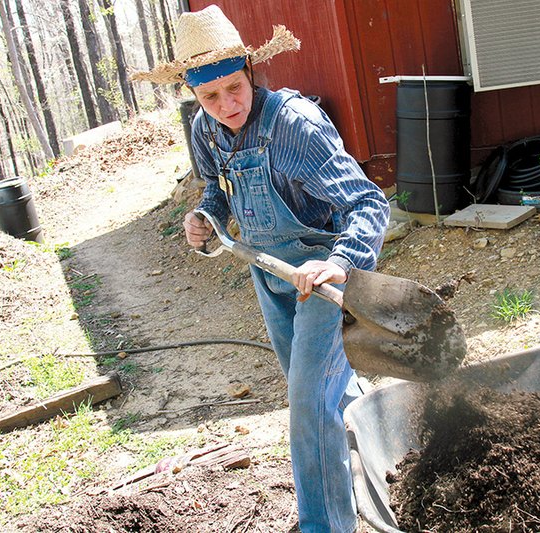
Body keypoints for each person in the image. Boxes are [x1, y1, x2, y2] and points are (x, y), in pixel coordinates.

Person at [132, 5, 390, 533]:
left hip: (324, 276)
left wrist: (338, 263)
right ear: (192, 93)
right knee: (321, 389)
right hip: (271, 275)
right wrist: (207, 217)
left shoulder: (295, 126)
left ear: (250, 72)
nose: (227, 104)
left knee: (306, 405)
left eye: (235, 87)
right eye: (210, 96)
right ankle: (386, 452)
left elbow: (369, 205)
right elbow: (215, 190)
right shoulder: (206, 130)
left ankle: (325, 526)